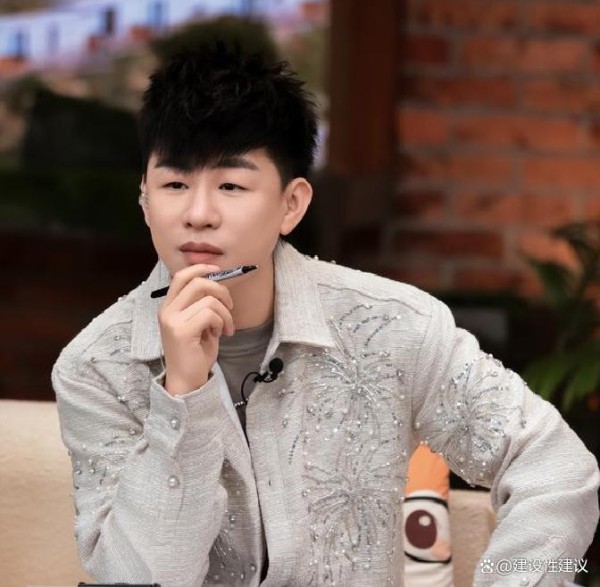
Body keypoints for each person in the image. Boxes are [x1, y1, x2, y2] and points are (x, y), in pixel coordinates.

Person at [52, 44, 599, 587]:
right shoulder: (95, 368)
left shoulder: (394, 326)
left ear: (291, 204)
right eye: (174, 184)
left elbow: (553, 464)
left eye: (231, 185)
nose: (198, 214)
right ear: (145, 199)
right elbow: (144, 578)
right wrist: (183, 395)